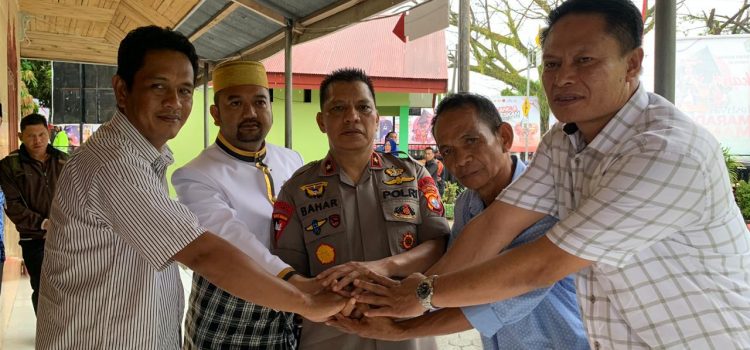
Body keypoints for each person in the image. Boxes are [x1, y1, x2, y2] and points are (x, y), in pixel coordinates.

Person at [352, 0, 750, 349]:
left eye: (585, 60)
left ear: (633, 64)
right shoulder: (563, 140)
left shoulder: (664, 151)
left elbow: (541, 266)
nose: (562, 78)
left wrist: (420, 294)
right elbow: (496, 224)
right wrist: (408, 293)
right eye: (552, 64)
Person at [35, 26, 346, 349]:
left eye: (184, 91)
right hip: (156, 328)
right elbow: (204, 250)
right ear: (122, 90)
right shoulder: (117, 164)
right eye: (158, 87)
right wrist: (304, 298)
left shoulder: (146, 159)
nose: (174, 102)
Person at [328, 93, 589, 349]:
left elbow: (495, 303)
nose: (461, 159)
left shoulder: (546, 203)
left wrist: (398, 327)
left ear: (504, 137)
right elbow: (451, 275)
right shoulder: (467, 205)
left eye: (472, 140)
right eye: (448, 150)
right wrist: (379, 299)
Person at [271, 68, 449, 350]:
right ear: (321, 121)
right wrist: (328, 300)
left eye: (363, 107)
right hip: (332, 336)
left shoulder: (413, 175)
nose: (352, 116)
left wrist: (384, 266)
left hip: (406, 334)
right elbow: (287, 271)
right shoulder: (296, 190)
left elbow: (438, 245)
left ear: (377, 117)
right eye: (338, 108)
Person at [173, 59, 313, 349]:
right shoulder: (195, 174)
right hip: (230, 309)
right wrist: (293, 281)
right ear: (216, 113)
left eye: (259, 102)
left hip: (292, 306)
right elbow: (233, 238)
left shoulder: (292, 159)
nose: (250, 113)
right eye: (235, 103)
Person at [0, 113, 68, 313]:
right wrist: (43, 224)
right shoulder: (9, 165)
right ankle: (46, 334)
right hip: (34, 239)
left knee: (68, 287)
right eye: (31, 136)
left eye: (41, 134)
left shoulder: (64, 161)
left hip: (65, 236)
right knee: (42, 288)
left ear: (49, 133)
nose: (37, 140)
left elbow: (76, 198)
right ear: (21, 136)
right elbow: (12, 205)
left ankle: (65, 334)